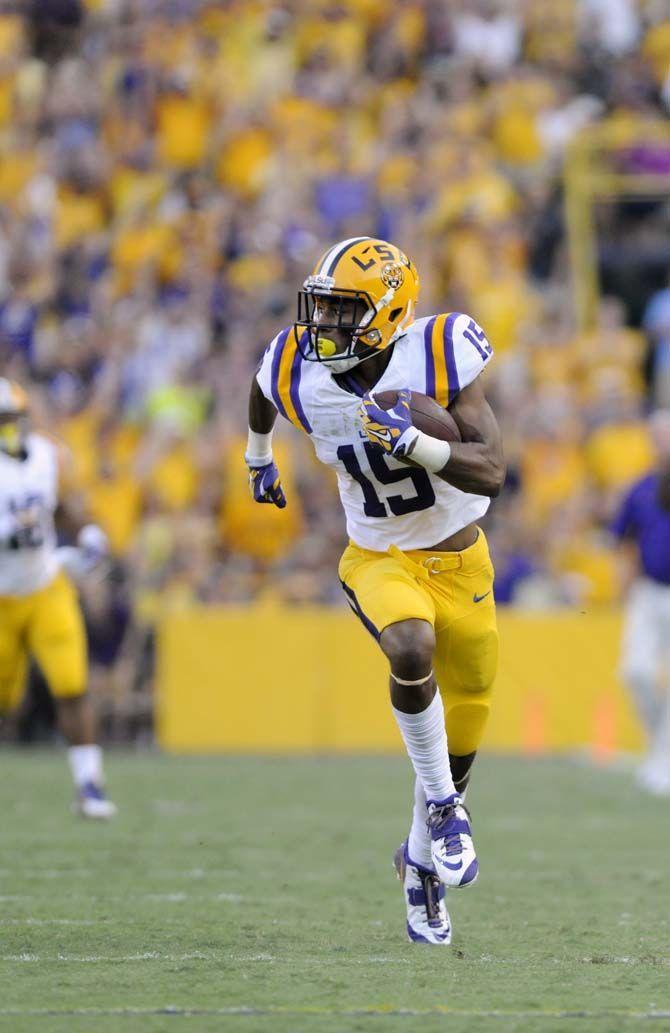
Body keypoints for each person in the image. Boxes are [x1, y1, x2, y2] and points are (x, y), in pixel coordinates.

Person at [245, 237, 505, 945]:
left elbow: (490, 470)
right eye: (320, 308)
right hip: (380, 556)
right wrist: (257, 453)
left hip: (462, 559)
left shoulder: (444, 348)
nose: (322, 326)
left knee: (471, 714)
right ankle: (448, 810)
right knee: (409, 643)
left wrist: (415, 441)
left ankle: (419, 858)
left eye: (341, 311)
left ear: (387, 312)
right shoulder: (299, 364)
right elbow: (265, 387)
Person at [0, 379, 117, 818]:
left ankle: (90, 785)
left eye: (14, 419)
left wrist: (86, 530)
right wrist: (10, 536)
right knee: (5, 703)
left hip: (47, 587)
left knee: (72, 684)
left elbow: (62, 504)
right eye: (2, 421)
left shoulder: (47, 456)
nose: (10, 428)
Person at [611, 409, 670, 796]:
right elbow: (622, 541)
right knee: (636, 673)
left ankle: (662, 762)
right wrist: (622, 585)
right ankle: (658, 747)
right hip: (649, 592)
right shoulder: (641, 488)